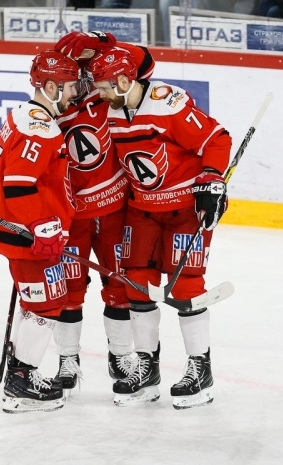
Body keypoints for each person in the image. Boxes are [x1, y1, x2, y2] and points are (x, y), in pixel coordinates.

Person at [87, 46, 233, 408]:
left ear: (124, 80)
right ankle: (147, 370)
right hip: (143, 210)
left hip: (185, 208)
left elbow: (217, 139)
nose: (100, 93)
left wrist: (212, 180)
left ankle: (201, 372)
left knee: (185, 288)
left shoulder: (166, 104)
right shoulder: (110, 111)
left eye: (105, 86)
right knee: (136, 283)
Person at [50, 31, 156, 395]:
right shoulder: (48, 113)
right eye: (70, 78)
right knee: (69, 289)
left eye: (81, 75)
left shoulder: (104, 92)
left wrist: (103, 41)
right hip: (74, 218)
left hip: (116, 212)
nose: (79, 85)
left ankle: (121, 355)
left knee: (120, 286)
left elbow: (144, 60)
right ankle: (67, 357)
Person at [0, 50, 80, 413]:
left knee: (35, 301)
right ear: (51, 86)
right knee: (48, 302)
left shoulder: (23, 115)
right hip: (27, 234)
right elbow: (19, 185)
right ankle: (22, 382)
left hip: (22, 231)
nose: (74, 94)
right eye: (69, 87)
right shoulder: (40, 126)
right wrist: (43, 228)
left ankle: (20, 373)